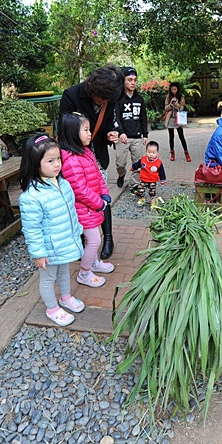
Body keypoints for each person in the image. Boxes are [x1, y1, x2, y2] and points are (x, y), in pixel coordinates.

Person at [19, 134, 85, 327]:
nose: (57, 164)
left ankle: (65, 297)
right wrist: (38, 253)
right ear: (35, 163)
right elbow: (32, 229)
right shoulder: (32, 196)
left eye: (58, 159)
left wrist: (77, 231)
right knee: (48, 279)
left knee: (64, 271)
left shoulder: (62, 183)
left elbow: (71, 210)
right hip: (49, 248)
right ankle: (52, 308)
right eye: (50, 161)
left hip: (64, 241)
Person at [59, 64, 123, 260]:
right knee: (79, 198)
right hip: (76, 157)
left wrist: (111, 133)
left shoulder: (110, 98)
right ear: (93, 89)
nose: (104, 102)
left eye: (108, 100)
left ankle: (108, 237)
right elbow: (65, 130)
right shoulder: (71, 96)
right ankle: (82, 240)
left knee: (102, 192)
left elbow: (109, 123)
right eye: (102, 99)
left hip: (97, 156)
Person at [58, 112, 114, 288]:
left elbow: (98, 176)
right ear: (73, 133)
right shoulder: (71, 160)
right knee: (94, 240)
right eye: (86, 130)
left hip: (92, 207)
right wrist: (99, 203)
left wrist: (104, 193)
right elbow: (80, 191)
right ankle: (84, 272)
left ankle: (94, 262)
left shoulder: (86, 152)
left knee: (93, 238)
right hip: (84, 209)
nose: (90, 133)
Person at [114, 67, 148, 194]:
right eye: (129, 80)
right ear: (123, 81)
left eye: (134, 80)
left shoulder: (139, 99)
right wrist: (120, 132)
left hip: (137, 137)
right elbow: (115, 117)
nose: (133, 83)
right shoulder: (118, 99)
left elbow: (143, 117)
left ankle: (135, 185)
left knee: (137, 164)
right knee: (120, 163)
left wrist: (145, 134)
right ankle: (121, 175)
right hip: (122, 137)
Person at [130, 140, 167, 207]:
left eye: (153, 153)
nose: (151, 154)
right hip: (143, 179)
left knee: (152, 191)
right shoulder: (143, 159)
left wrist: (163, 179)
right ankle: (142, 198)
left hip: (152, 180)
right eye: (149, 152)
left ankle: (152, 200)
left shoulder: (158, 162)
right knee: (140, 189)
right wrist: (133, 167)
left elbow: (162, 172)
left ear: (157, 153)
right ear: (146, 151)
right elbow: (137, 164)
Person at [164, 82, 191, 162]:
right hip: (170, 119)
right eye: (172, 89)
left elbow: (182, 108)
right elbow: (165, 108)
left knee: (181, 136)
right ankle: (172, 153)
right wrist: (170, 105)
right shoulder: (168, 96)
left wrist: (177, 105)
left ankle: (186, 153)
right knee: (171, 137)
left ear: (178, 89)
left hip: (178, 118)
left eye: (175, 89)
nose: (174, 91)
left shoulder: (181, 96)